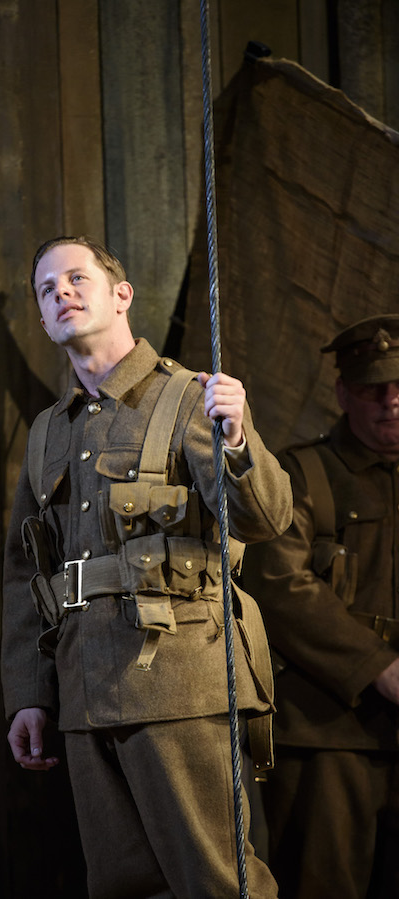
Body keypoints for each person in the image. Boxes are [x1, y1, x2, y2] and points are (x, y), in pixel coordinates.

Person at [1, 235, 292, 898]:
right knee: (122, 887)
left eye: (77, 278)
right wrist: (29, 694)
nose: (62, 292)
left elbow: (266, 518)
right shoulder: (50, 431)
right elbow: (26, 574)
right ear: (43, 320)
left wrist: (237, 438)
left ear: (121, 294)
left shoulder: (190, 397)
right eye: (47, 289)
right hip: (84, 695)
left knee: (219, 884)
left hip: (180, 685)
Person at [243, 313, 399, 899]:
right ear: (343, 393)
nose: (391, 401)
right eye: (372, 388)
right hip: (327, 734)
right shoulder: (302, 473)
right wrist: (380, 668)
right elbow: (279, 583)